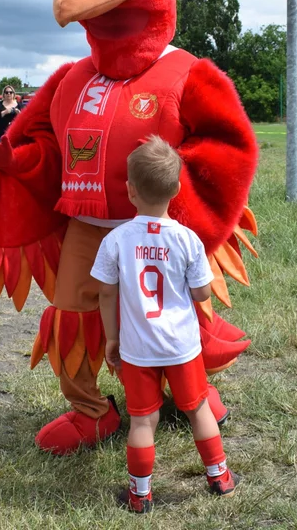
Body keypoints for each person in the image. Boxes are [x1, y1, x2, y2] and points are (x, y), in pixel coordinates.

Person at [92, 137, 239, 514]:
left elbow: (106, 295)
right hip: (182, 346)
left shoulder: (116, 240)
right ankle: (220, 477)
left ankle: (140, 496)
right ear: (175, 190)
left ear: (130, 190)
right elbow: (203, 292)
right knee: (198, 409)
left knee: (143, 420)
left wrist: (111, 338)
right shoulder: (187, 239)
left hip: (138, 348)